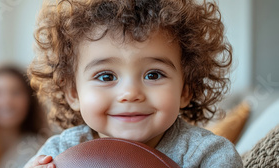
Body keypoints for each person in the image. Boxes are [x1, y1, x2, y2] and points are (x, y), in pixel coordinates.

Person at [25, 0, 242, 167]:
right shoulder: (58, 153)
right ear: (73, 93)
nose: (130, 93)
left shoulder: (208, 155)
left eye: (154, 75)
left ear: (186, 90)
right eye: (106, 77)